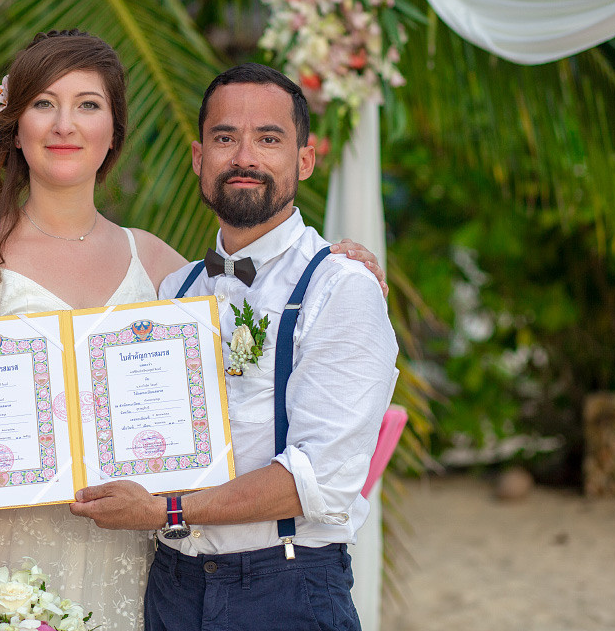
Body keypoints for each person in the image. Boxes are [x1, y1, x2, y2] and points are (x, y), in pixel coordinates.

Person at [0, 36, 388, 631]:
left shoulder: (160, 267)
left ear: (114, 131)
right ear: (15, 122)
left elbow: (270, 290)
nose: (65, 126)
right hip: (27, 570)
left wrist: (341, 264)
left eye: (87, 105)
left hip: (139, 563)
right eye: (44, 104)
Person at [69, 62, 399, 631]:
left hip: (285, 589)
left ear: (305, 160)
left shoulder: (341, 287)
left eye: (268, 138)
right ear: (201, 159)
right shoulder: (177, 289)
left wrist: (162, 510)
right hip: (173, 585)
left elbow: (316, 477)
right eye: (226, 138)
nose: (244, 156)